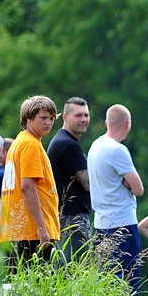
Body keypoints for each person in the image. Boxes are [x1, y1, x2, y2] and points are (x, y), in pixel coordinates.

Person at [87, 104, 144, 296]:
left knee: (107, 279)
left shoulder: (95, 145)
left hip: (101, 223)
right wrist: (128, 184)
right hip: (123, 223)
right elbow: (138, 189)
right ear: (128, 124)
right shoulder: (118, 150)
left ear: (106, 123)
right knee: (127, 282)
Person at [0, 96, 61, 269]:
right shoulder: (30, 144)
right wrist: (41, 228)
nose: (48, 123)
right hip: (30, 231)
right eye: (43, 118)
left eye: (52, 118)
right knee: (37, 288)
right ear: (28, 118)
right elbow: (27, 186)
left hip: (16, 228)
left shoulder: (19, 142)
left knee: (15, 287)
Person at [48, 97, 92, 262]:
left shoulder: (65, 140)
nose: (84, 120)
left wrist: (87, 175)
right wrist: (92, 176)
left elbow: (86, 180)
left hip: (66, 216)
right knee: (78, 269)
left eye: (86, 115)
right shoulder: (68, 145)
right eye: (78, 115)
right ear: (65, 117)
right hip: (71, 218)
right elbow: (88, 184)